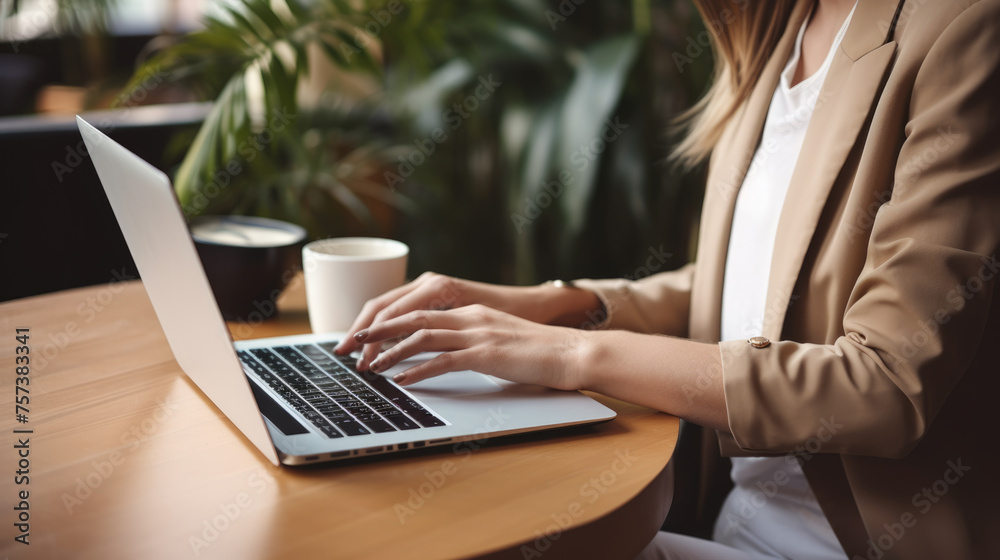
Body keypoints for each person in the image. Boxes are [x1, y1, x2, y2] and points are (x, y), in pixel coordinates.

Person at [333, 0, 1000, 558]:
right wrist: (554, 306)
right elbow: (753, 289)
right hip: (730, 527)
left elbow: (884, 385)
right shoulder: (778, 24)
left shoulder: (962, 28)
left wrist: (575, 354)